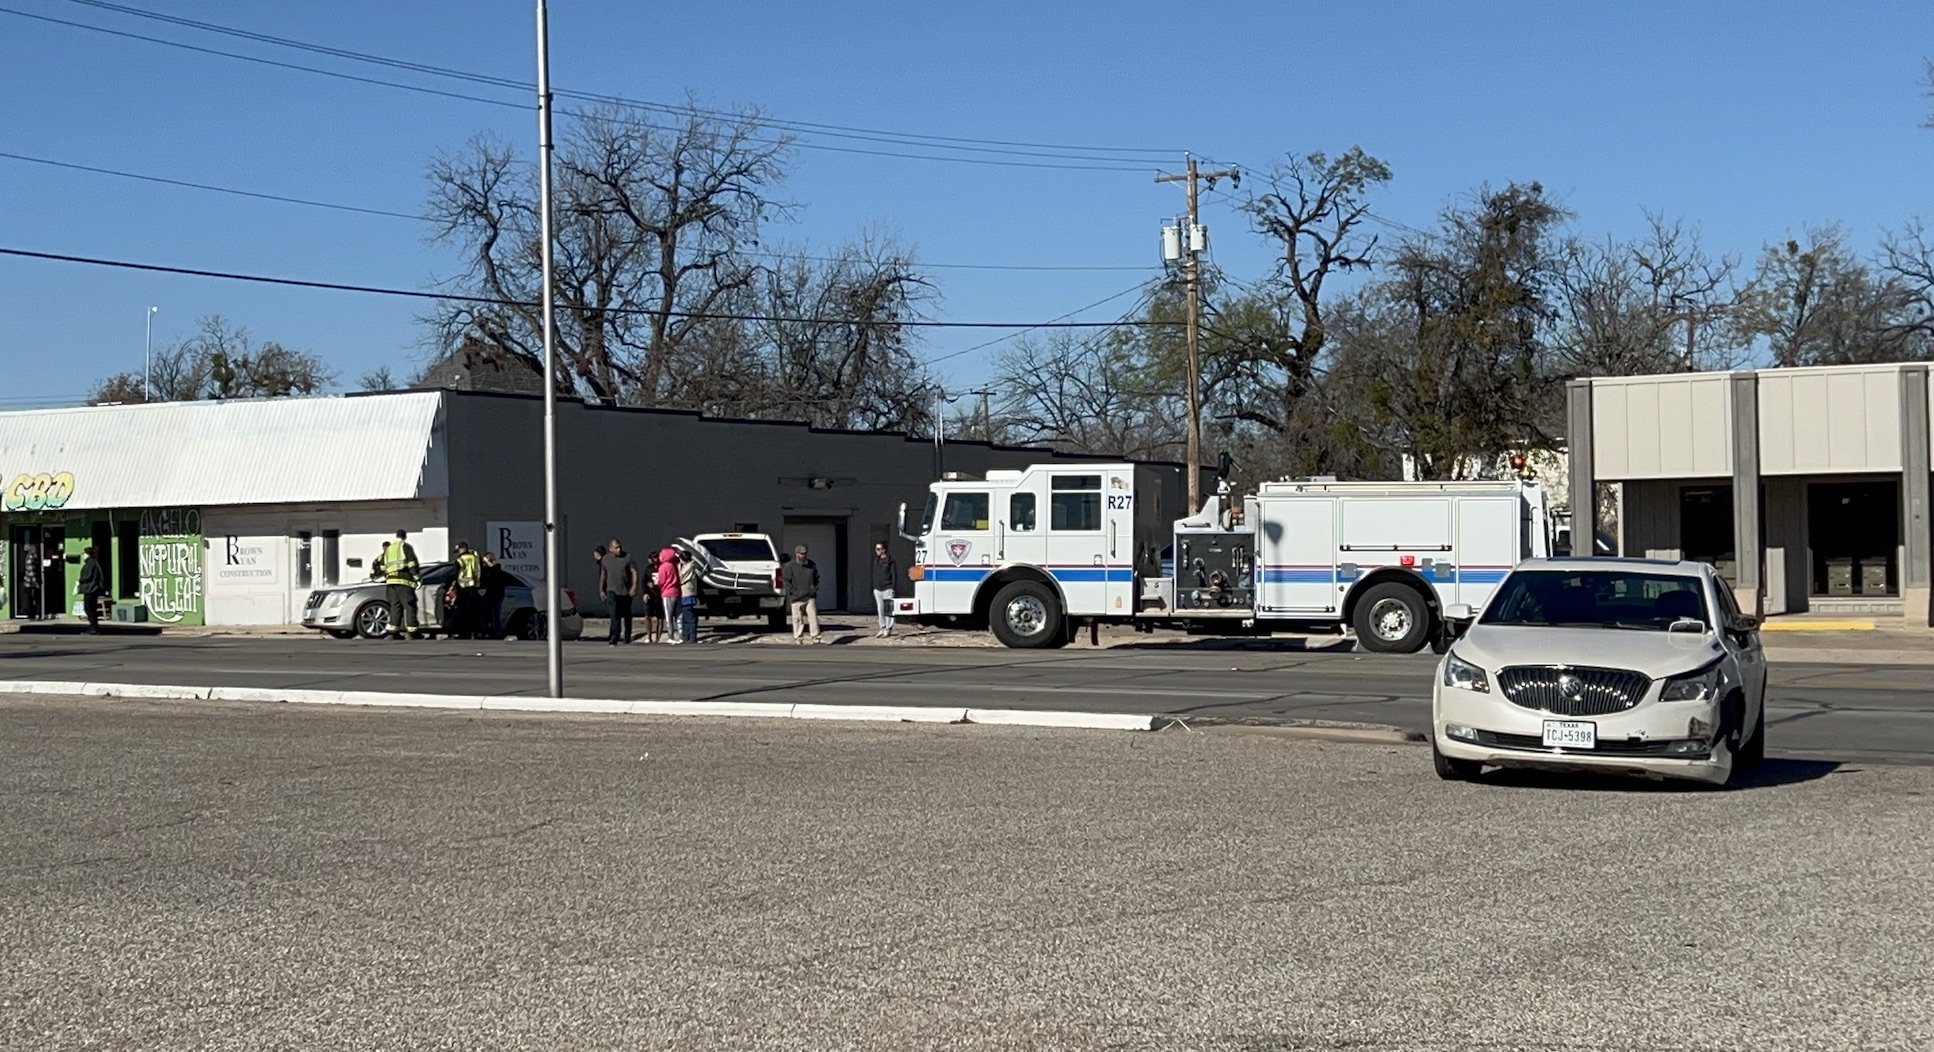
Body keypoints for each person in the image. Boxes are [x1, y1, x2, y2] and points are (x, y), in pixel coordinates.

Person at [374, 529, 421, 639]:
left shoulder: (389, 549)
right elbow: (412, 563)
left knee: (395, 606)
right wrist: (417, 577)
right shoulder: (405, 546)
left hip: (390, 582)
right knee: (409, 606)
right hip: (404, 581)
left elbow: (383, 567)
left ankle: (393, 632)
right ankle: (413, 632)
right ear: (405, 536)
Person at [600, 538, 638, 646]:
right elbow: (603, 575)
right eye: (616, 547)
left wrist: (634, 586)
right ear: (610, 548)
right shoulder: (605, 559)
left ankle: (627, 636)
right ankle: (614, 637)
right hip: (612, 590)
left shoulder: (627, 557)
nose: (619, 549)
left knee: (627, 615)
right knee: (614, 614)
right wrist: (601, 589)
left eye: (620, 547)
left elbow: (634, 572)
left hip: (625, 591)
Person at [783, 544, 822, 644]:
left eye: (804, 553)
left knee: (813, 617)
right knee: (797, 619)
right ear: (796, 554)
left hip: (809, 596)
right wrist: (793, 592)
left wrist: (814, 589)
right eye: (801, 554)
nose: (803, 556)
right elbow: (786, 581)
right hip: (796, 598)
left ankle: (816, 638)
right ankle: (798, 639)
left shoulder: (811, 565)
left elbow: (817, 578)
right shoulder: (789, 566)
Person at [451, 541, 483, 639]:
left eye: (458, 550)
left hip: (462, 588)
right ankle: (476, 632)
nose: (458, 553)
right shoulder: (475, 559)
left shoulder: (460, 560)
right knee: (474, 612)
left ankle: (463, 633)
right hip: (474, 588)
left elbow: (455, 574)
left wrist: (452, 585)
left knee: (462, 611)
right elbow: (479, 572)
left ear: (463, 549)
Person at [479, 552, 510, 640]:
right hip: (488, 595)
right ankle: (488, 630)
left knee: (495, 614)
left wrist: (488, 563)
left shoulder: (497, 570)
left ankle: (497, 631)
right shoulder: (485, 570)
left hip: (496, 595)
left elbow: (495, 573)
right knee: (487, 615)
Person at [77, 546, 109, 633]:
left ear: (88, 554)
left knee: (89, 608)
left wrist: (80, 581)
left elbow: (87, 576)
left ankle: (94, 627)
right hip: (92, 588)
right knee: (91, 609)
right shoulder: (93, 563)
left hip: (90, 589)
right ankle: (94, 627)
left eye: (84, 553)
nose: (83, 555)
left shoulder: (91, 564)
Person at [870, 541, 898, 639]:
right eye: (876, 549)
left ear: (883, 550)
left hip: (887, 588)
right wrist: (874, 587)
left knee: (888, 610)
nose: (876, 551)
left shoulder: (890, 562)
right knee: (880, 609)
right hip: (878, 589)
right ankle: (882, 627)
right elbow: (874, 574)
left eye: (878, 549)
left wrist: (893, 588)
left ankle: (888, 629)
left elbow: (894, 576)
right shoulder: (876, 561)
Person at [654, 548, 682, 644]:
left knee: (668, 616)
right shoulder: (673, 566)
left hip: (667, 593)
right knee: (678, 615)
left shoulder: (663, 567)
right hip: (676, 592)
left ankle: (671, 636)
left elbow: (661, 581)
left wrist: (658, 585)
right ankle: (681, 635)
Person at [676, 547, 701, 642]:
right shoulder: (685, 566)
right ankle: (686, 636)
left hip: (688, 593)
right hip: (684, 594)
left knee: (689, 616)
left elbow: (681, 577)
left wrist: (679, 567)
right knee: (685, 617)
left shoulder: (690, 566)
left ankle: (692, 636)